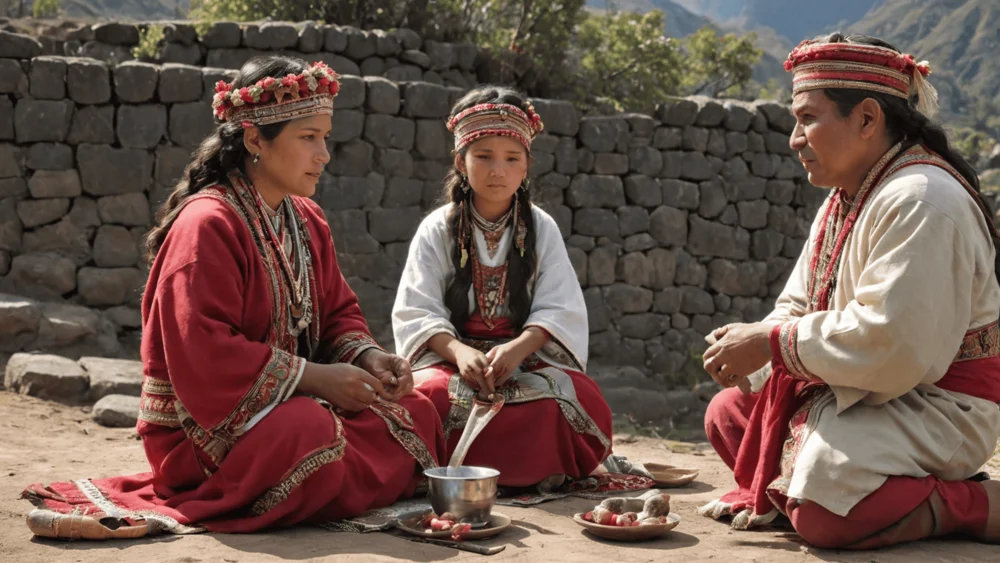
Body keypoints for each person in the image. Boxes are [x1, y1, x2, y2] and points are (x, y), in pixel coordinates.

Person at [21, 56, 446, 540]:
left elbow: (337, 315)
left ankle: (330, 480)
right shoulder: (207, 225)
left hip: (292, 410)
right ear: (253, 140)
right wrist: (318, 379)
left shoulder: (307, 221)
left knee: (421, 405)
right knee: (311, 431)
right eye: (308, 138)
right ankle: (329, 478)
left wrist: (369, 358)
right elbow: (203, 355)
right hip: (203, 435)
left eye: (325, 137)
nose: (324, 154)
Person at [698, 33, 1000, 548]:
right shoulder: (849, 194)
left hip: (936, 403)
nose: (795, 138)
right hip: (871, 384)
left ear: (866, 119)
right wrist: (755, 342)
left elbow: (895, 343)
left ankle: (976, 506)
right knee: (728, 414)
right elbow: (798, 304)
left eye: (807, 119)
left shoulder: (923, 200)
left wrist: (773, 344)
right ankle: (877, 488)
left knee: (823, 512)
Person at [391, 86, 614, 487]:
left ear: (526, 166)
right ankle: (499, 471)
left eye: (512, 159)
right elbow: (418, 309)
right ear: (460, 161)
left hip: (523, 359)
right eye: (484, 157)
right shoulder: (437, 228)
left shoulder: (540, 227)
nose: (498, 170)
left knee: (579, 398)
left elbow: (558, 307)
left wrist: (515, 350)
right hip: (451, 361)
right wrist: (459, 353)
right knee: (428, 397)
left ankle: (515, 470)